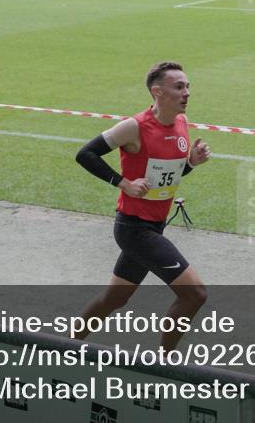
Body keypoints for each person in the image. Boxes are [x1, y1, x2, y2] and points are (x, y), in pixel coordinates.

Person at [72, 61, 210, 351]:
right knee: (194, 294)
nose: (187, 93)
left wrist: (191, 164)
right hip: (134, 228)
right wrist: (124, 183)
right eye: (179, 86)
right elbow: (86, 154)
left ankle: (64, 346)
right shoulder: (134, 127)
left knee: (114, 299)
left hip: (154, 226)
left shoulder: (182, 123)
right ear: (157, 92)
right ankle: (164, 363)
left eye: (188, 86)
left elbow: (167, 176)